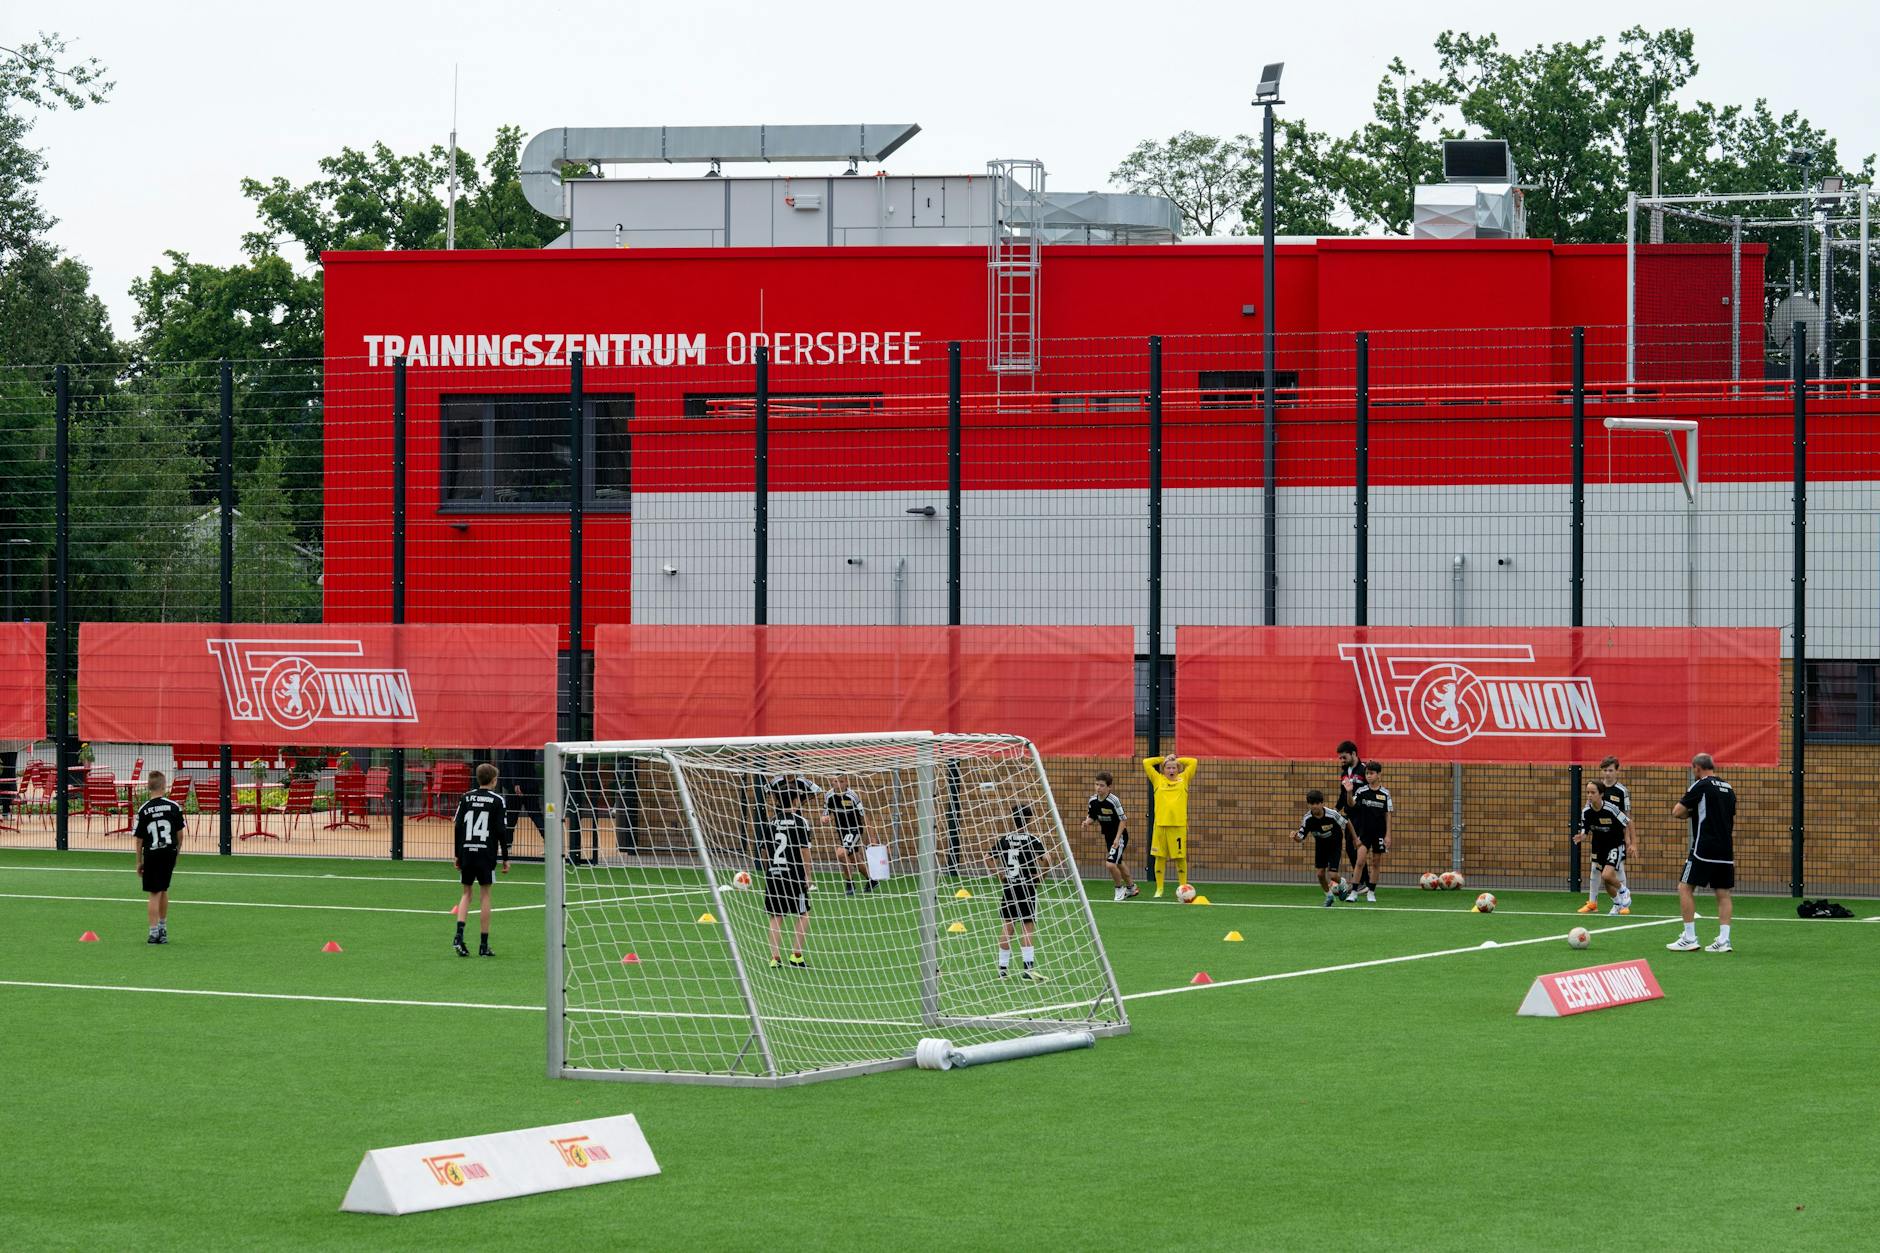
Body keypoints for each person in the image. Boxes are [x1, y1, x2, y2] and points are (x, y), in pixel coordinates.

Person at [1669, 753, 1736, 954]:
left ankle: (1689, 937)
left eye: (1693, 769)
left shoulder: (1701, 785)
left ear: (1697, 768)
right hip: (1726, 849)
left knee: (1684, 888)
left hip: (1703, 848)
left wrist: (1692, 813)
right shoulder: (1729, 788)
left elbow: (1677, 811)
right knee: (1723, 893)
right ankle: (1724, 941)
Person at [452, 762, 510, 958]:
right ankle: (483, 945)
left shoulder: (466, 797)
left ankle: (459, 936)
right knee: (485, 894)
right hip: (486, 853)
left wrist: (457, 854)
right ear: (494, 780)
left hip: (467, 851)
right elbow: (501, 831)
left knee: (466, 893)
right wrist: (505, 858)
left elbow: (458, 826)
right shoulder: (497, 800)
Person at [987, 804, 1051, 980]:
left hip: (1010, 887)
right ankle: (1028, 971)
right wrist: (1041, 876)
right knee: (1027, 929)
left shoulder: (1005, 839)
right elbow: (1047, 859)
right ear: (1030, 820)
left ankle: (1002, 970)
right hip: (1027, 888)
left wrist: (1000, 875)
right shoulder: (1033, 840)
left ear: (1013, 819)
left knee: (1007, 928)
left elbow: (988, 858)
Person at [763, 777, 815, 969]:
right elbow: (804, 850)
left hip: (774, 874)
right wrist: (807, 875)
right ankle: (796, 956)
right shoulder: (801, 822)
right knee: (803, 913)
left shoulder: (771, 822)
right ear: (795, 801)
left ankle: (775, 958)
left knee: (776, 916)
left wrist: (771, 869)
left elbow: (766, 851)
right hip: (794, 874)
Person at [132, 770, 185, 944]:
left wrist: (139, 861)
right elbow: (180, 834)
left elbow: (139, 840)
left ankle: (154, 932)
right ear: (164, 786)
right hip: (168, 853)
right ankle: (163, 927)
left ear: (148, 787)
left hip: (153, 853)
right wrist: (176, 853)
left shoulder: (144, 809)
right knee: (163, 889)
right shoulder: (174, 806)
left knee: (154, 892)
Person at [1574, 779, 1632, 916]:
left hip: (1615, 845)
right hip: (1599, 847)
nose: (1589, 795)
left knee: (1607, 874)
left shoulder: (1611, 808)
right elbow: (1585, 830)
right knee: (1606, 881)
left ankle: (1624, 891)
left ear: (1601, 794)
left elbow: (1628, 823)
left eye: (1593, 792)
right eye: (1587, 792)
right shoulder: (1586, 812)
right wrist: (1581, 836)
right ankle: (1617, 903)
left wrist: (1632, 843)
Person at [1142, 753, 1197, 898]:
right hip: (1160, 826)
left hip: (1178, 826)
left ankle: (1183, 887)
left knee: (1180, 858)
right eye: (1168, 767)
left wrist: (1176, 759)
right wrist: (1164, 759)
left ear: (1178, 769)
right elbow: (1146, 762)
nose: (1171, 770)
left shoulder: (1184, 779)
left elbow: (1193, 761)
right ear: (1163, 769)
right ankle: (1159, 889)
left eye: (1174, 767)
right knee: (1160, 857)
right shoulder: (1157, 779)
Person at [1083, 771, 1138, 902]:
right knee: (1118, 862)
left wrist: (1117, 839)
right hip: (1108, 836)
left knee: (1110, 864)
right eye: (1096, 784)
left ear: (1109, 787)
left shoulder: (1113, 801)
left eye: (1101, 785)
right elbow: (1092, 816)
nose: (1098, 788)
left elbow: (1123, 820)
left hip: (1120, 836)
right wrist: (1087, 822)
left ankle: (1119, 889)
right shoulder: (1093, 800)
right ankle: (1131, 887)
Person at [1293, 789, 1349, 907]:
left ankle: (1343, 883)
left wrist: (1355, 840)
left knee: (1333, 875)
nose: (1315, 806)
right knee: (1320, 874)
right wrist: (1295, 837)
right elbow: (1300, 837)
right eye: (1312, 804)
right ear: (1308, 804)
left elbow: (1347, 823)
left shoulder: (1332, 814)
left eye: (1317, 803)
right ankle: (1329, 896)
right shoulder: (1307, 819)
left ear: (1322, 803)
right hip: (1321, 846)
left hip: (1335, 844)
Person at [821, 774, 875, 896]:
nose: (838, 784)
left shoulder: (852, 796)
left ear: (846, 782)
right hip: (842, 831)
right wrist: (824, 817)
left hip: (854, 829)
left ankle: (850, 884)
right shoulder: (829, 795)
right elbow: (826, 812)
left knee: (841, 853)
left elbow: (864, 816)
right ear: (831, 782)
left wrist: (872, 837)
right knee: (854, 858)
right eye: (835, 781)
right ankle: (872, 880)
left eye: (841, 781)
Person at [1345, 760, 1391, 903]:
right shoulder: (1361, 791)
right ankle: (1354, 892)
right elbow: (1351, 804)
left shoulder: (1385, 794)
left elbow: (1388, 814)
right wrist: (1349, 791)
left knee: (1376, 862)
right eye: (1367, 773)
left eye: (1371, 773)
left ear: (1379, 775)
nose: (1368, 776)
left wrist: (1388, 835)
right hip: (1364, 833)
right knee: (1360, 862)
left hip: (1379, 834)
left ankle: (1371, 891)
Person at [1595, 756, 1634, 911]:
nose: (1607, 773)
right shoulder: (1597, 789)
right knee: (1603, 875)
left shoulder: (1622, 791)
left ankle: (1625, 899)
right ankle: (1617, 903)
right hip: (1600, 838)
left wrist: (1630, 839)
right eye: (1605, 770)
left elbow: (1628, 816)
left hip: (1616, 838)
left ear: (1617, 771)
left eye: (1610, 770)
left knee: (1616, 870)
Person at [1334, 740, 1369, 899]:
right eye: (1340, 758)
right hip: (1349, 816)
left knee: (1359, 847)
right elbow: (1343, 794)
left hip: (1362, 815)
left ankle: (1364, 882)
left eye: (1344, 757)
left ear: (1354, 754)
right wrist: (1335, 810)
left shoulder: (1365, 770)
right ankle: (1362, 881)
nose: (1341, 760)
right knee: (1349, 848)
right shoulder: (1344, 773)